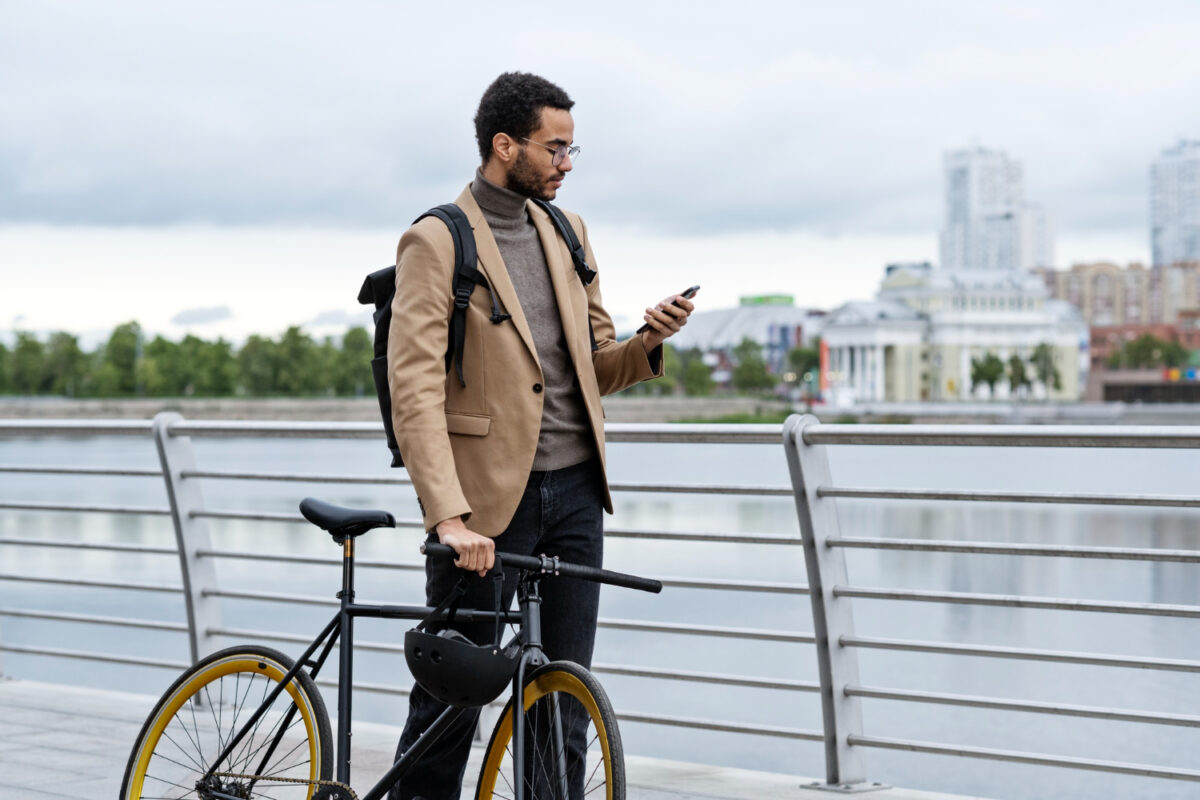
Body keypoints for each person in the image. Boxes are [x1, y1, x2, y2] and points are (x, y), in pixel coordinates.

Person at [386, 71, 694, 800]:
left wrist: (650, 341)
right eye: (554, 148)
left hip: (577, 493)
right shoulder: (436, 240)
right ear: (504, 146)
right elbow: (415, 388)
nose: (566, 163)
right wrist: (447, 516)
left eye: (571, 148)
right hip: (488, 506)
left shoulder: (567, 230)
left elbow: (594, 369)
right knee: (453, 699)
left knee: (561, 699)